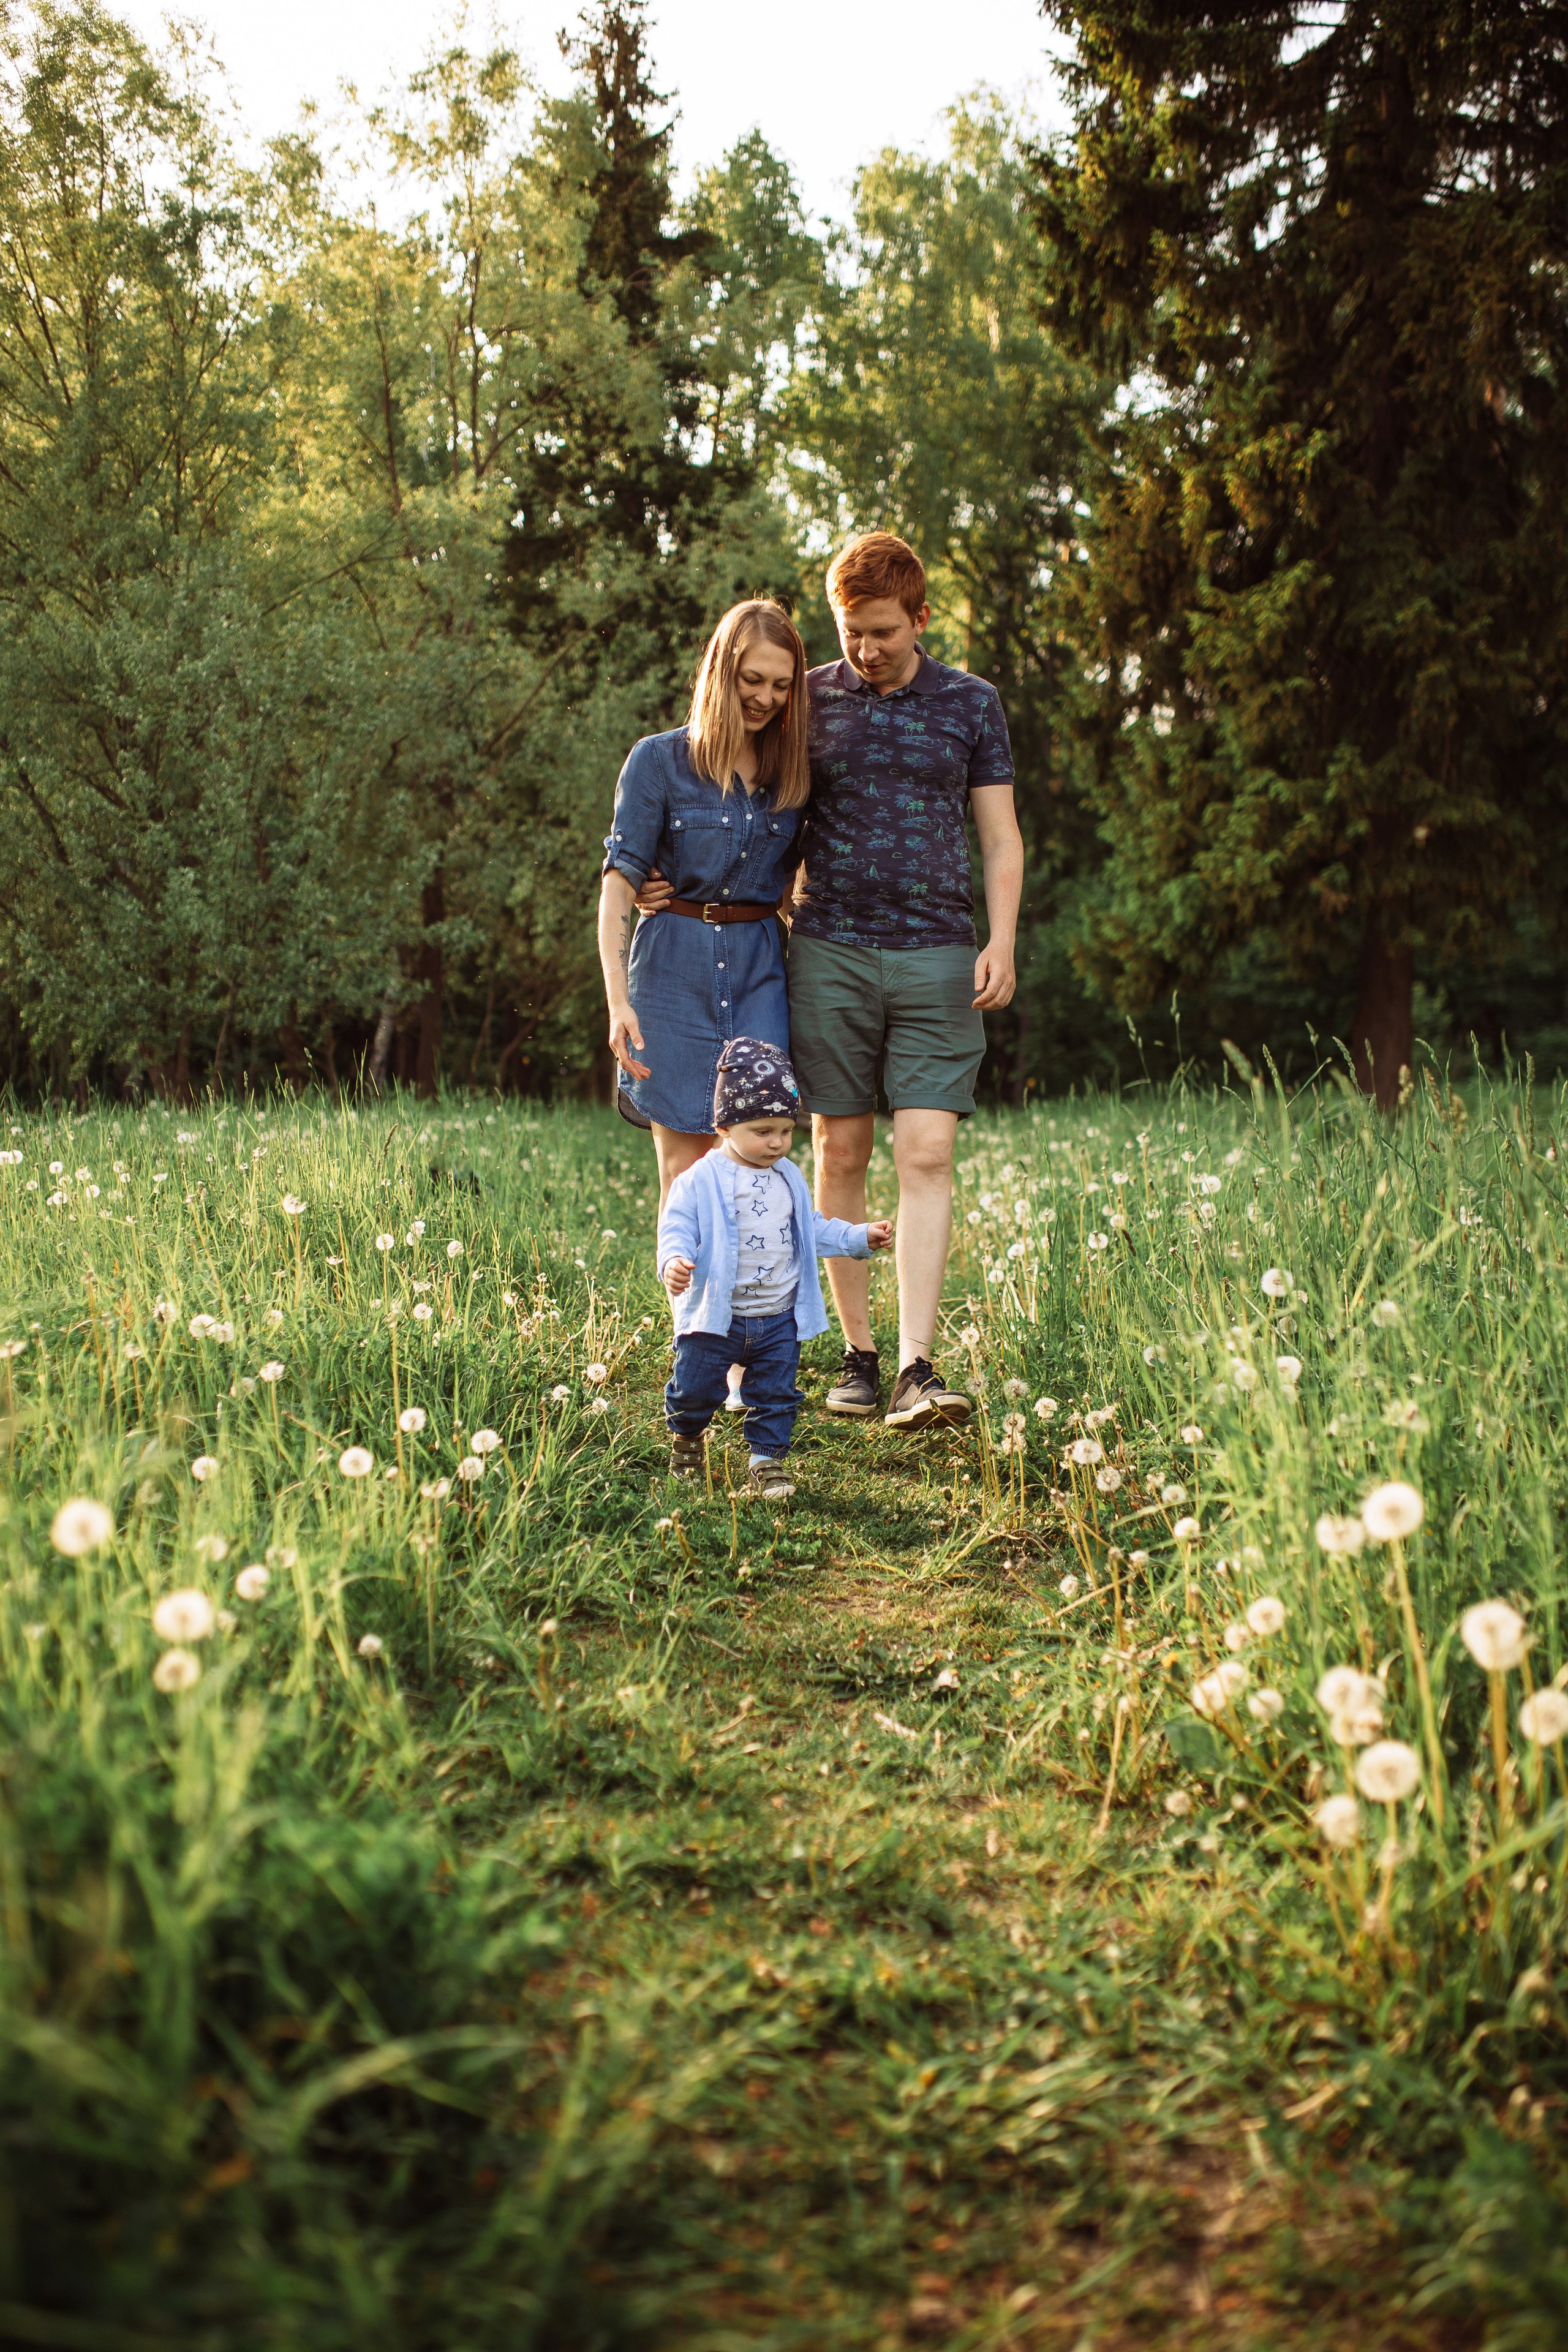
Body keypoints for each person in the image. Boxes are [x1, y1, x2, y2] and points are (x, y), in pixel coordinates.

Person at [636, 535, 1024, 1433]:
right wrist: (664, 876)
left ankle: (919, 1369)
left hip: (938, 954)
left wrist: (1001, 941)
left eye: (884, 632)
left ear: (921, 619)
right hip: (825, 952)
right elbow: (719, 785)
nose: (866, 649)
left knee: (926, 1151)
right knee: (838, 1153)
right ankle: (857, 1355)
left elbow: (1000, 837)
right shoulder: (806, 699)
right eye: (852, 631)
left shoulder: (973, 704)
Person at [598, 599, 810, 1415]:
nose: (764, 698)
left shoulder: (795, 773)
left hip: (760, 969)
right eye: (752, 679)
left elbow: (803, 884)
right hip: (672, 975)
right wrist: (618, 1001)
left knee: (757, 1164)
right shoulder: (657, 763)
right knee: (688, 1174)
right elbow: (619, 885)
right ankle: (701, 1354)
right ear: (721, 672)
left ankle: (752, 1350)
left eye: (782, 686)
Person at [658, 1038, 892, 1494]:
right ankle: (687, 1440)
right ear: (725, 1126)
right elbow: (676, 1228)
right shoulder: (700, 1180)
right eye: (763, 1131)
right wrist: (674, 1260)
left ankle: (766, 1461)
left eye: (786, 1130)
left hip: (777, 1318)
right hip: (716, 1318)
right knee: (694, 1389)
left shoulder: (789, 1177)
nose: (778, 1143)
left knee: (777, 1395)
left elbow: (812, 1228)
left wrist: (856, 1237)